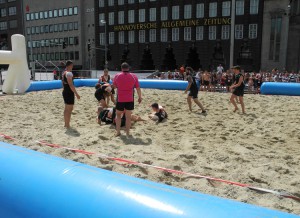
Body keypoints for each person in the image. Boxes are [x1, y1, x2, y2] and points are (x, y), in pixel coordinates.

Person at [113, 62, 142, 136]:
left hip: (120, 98)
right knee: (128, 117)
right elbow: (138, 88)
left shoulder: (117, 76)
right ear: (128, 68)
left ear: (121, 68)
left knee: (118, 115)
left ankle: (118, 132)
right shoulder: (134, 76)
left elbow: (114, 86)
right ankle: (127, 133)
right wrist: (140, 97)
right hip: (130, 99)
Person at [61, 60, 80, 128]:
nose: (72, 67)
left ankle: (66, 124)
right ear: (69, 65)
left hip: (65, 91)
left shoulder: (64, 72)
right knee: (69, 109)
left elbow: (62, 82)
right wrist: (76, 94)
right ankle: (67, 124)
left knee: (66, 108)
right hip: (69, 92)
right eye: (72, 65)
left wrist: (64, 89)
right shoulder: (69, 73)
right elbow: (71, 85)